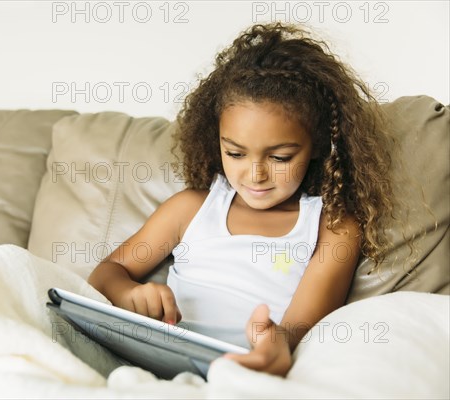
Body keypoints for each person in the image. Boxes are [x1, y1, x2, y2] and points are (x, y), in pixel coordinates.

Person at [88, 22, 397, 377]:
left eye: (280, 158)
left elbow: (296, 330)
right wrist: (128, 292)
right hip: (153, 357)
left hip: (243, 370)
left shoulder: (333, 226)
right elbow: (105, 273)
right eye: (235, 153)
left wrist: (274, 342)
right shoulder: (190, 209)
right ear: (216, 140)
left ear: (316, 145)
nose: (256, 175)